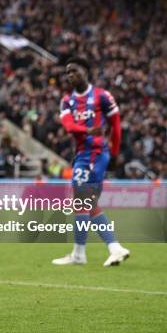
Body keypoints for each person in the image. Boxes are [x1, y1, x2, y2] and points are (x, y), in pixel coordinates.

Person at [52, 57, 130, 267]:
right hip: (81, 155)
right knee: (86, 202)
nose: (70, 76)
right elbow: (68, 126)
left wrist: (114, 155)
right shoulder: (67, 100)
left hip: (95, 154)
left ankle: (85, 253)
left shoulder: (102, 96)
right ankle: (110, 248)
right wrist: (87, 130)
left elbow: (116, 125)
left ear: (86, 71)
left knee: (82, 200)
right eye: (67, 73)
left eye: (74, 71)